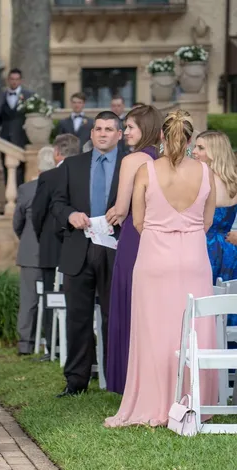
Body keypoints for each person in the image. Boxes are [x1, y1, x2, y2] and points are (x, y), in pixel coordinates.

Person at [105, 111, 219, 427]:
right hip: (194, 260)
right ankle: (194, 401)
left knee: (154, 331)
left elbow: (138, 221)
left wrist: (162, 231)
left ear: (161, 138)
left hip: (154, 259)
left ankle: (153, 403)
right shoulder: (205, 172)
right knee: (194, 328)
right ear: (189, 137)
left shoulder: (146, 170)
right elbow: (207, 221)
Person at [51, 111, 124, 397]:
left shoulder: (130, 167)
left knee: (114, 316)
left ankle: (117, 379)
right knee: (78, 318)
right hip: (78, 248)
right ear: (91, 133)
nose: (103, 134)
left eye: (109, 129)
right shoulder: (72, 165)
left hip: (116, 249)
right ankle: (76, 381)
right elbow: (56, 203)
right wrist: (70, 215)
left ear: (119, 134)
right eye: (98, 129)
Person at [103, 105, 163, 394]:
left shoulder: (133, 159)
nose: (124, 132)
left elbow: (121, 208)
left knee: (130, 302)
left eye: (130, 127)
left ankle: (128, 379)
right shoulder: (164, 160)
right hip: (159, 238)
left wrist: (110, 214)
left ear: (146, 130)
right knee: (155, 308)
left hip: (133, 239)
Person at [32, 134, 80, 359]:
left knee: (52, 298)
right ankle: (74, 346)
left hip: (52, 248)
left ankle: (53, 347)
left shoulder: (49, 177)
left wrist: (44, 236)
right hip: (78, 247)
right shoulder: (83, 174)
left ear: (57, 153)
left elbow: (38, 212)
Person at [193, 131, 237, 325]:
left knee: (204, 304)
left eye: (200, 148)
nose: (194, 151)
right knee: (227, 305)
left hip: (204, 248)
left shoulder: (204, 181)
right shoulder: (232, 181)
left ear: (215, 152)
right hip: (229, 250)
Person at [13, 162, 41, 355]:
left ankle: (26, 345)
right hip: (54, 253)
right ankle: (49, 341)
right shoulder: (63, 185)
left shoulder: (27, 189)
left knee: (29, 300)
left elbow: (17, 222)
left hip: (31, 251)